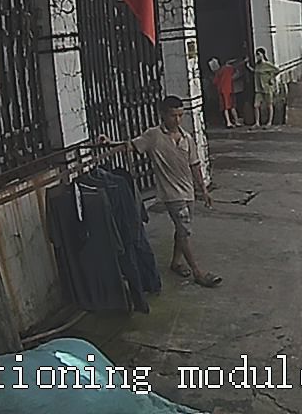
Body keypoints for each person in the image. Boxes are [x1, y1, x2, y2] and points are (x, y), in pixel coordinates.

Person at [97, 95, 222, 288]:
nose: (177, 120)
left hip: (188, 191)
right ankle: (198, 272)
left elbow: (195, 165)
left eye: (180, 115)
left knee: (182, 230)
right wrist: (109, 142)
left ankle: (176, 262)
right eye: (173, 116)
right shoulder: (154, 136)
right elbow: (129, 146)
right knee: (184, 230)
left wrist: (203, 190)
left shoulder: (187, 138)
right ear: (163, 114)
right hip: (171, 194)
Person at [251, 48, 281, 128]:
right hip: (258, 89)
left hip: (266, 88)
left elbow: (277, 70)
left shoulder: (267, 64)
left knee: (269, 104)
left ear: (263, 55)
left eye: (259, 54)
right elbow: (256, 72)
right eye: (256, 55)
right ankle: (257, 122)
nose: (257, 57)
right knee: (256, 105)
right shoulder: (257, 65)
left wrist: (271, 78)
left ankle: (269, 122)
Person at [209, 58, 242, 128]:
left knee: (225, 108)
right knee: (233, 107)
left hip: (222, 91)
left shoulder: (218, 73)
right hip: (230, 89)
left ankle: (228, 122)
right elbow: (236, 72)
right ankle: (236, 121)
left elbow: (214, 82)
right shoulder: (228, 69)